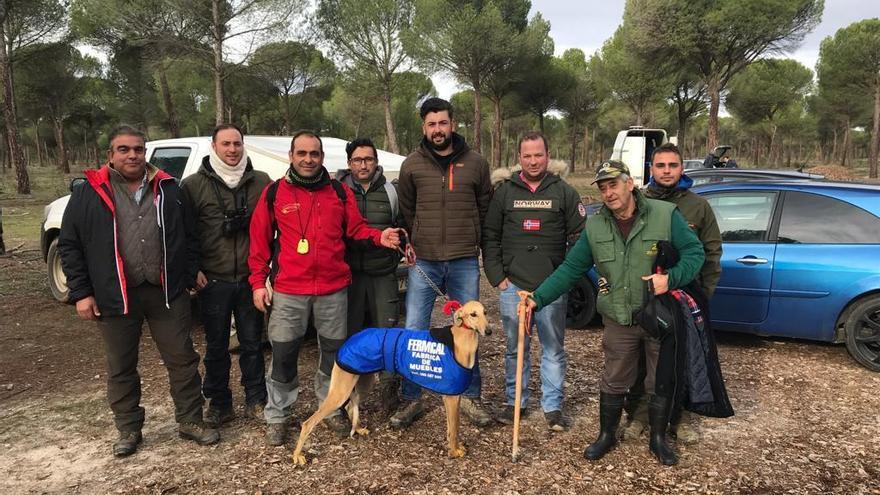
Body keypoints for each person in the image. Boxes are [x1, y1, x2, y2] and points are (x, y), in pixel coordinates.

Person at [523, 160, 704, 466]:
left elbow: (695, 253)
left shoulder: (664, 214)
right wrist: (537, 298)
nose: (608, 193)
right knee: (614, 380)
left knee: (660, 379)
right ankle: (606, 435)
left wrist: (669, 279)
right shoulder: (595, 225)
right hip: (619, 319)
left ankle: (658, 439)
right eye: (603, 187)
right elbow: (571, 268)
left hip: (658, 316)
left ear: (629, 183)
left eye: (613, 184)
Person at [59, 124, 219, 457]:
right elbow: (71, 246)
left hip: (166, 291)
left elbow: (189, 236)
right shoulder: (89, 192)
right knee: (121, 364)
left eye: (138, 149)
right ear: (110, 155)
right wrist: (82, 293)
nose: (132, 155)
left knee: (183, 359)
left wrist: (189, 272)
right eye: (124, 149)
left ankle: (191, 420)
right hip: (115, 293)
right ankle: (128, 428)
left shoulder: (169, 188)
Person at [248, 130, 401, 446]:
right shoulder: (275, 193)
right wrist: (257, 283)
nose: (308, 159)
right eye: (301, 153)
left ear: (321, 157)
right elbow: (259, 241)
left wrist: (378, 236)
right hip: (290, 290)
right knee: (284, 354)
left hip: (333, 289)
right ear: (291, 156)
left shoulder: (338, 192)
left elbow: (356, 228)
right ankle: (278, 414)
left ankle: (330, 408)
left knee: (332, 354)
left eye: (314, 154)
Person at [392, 97, 494, 429]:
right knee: (415, 331)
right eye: (432, 124)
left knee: (471, 330)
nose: (438, 129)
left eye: (443, 123)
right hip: (425, 262)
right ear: (425, 127)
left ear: (453, 124)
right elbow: (408, 210)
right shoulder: (411, 165)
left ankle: (470, 396)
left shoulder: (476, 163)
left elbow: (485, 207)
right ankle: (411, 398)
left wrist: (474, 239)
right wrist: (417, 239)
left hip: (464, 259)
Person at [482, 131, 585, 431]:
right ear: (519, 158)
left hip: (551, 287)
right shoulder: (504, 192)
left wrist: (564, 277)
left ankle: (552, 407)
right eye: (527, 155)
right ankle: (516, 401)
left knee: (553, 348)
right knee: (516, 348)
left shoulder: (564, 192)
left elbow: (579, 239)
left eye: (538, 155)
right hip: (513, 287)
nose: (533, 161)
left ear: (547, 155)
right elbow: (490, 237)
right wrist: (497, 277)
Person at [622, 142, 723, 443]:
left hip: (684, 296)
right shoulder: (637, 200)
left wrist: (704, 294)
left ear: (681, 169)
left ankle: (681, 417)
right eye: (660, 166)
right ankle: (639, 415)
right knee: (642, 358)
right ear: (651, 169)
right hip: (645, 293)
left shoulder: (697, 206)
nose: (667, 171)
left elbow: (712, 251)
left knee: (683, 357)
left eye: (673, 166)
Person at [180, 124, 271, 428]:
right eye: (226, 144)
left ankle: (257, 399)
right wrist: (193, 269)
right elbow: (186, 233)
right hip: (213, 279)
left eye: (237, 144)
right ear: (214, 146)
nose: (232, 150)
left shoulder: (261, 183)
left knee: (252, 343)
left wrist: (269, 271)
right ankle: (219, 403)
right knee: (216, 346)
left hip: (249, 279)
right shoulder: (193, 186)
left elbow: (275, 229)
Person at [336, 137, 403, 410]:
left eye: (368, 159)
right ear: (349, 163)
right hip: (348, 277)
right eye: (357, 160)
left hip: (383, 274)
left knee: (386, 333)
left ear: (376, 162)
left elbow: (401, 226)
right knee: (350, 336)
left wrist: (405, 247)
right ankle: (345, 396)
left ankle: (390, 393)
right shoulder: (338, 191)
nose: (363, 165)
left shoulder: (390, 191)